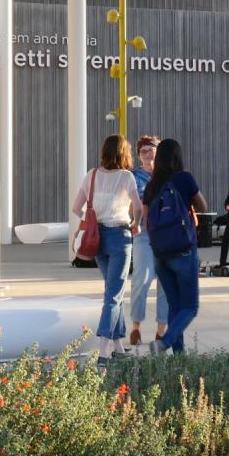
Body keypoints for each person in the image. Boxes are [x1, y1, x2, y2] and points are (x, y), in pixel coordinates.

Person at [71, 135, 143, 368]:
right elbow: (139, 207)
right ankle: (103, 352)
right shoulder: (126, 176)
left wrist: (93, 218)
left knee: (115, 291)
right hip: (120, 237)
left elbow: (76, 208)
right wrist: (136, 223)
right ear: (124, 153)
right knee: (113, 294)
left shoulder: (91, 175)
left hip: (98, 239)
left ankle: (120, 347)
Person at [142, 139, 208, 355]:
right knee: (190, 307)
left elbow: (145, 220)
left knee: (174, 306)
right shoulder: (184, 178)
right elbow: (203, 206)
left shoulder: (151, 186)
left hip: (160, 254)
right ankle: (165, 342)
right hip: (183, 250)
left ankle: (179, 358)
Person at [127, 135, 168, 347]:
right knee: (141, 279)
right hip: (143, 232)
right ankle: (136, 327)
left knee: (165, 280)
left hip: (167, 234)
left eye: (151, 149)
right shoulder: (133, 176)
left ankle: (162, 329)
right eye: (143, 150)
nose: (147, 154)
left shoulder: (168, 175)